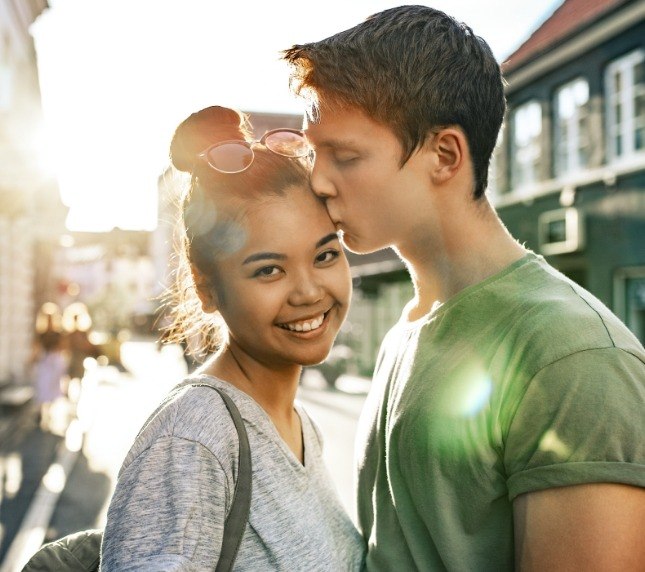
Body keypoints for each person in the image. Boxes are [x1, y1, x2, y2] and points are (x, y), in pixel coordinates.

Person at [282, 5, 645, 571]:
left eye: (345, 156)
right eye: (313, 153)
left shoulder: (573, 356)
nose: (319, 180)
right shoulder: (406, 329)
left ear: (445, 156)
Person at [100, 105, 365, 570]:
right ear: (206, 288)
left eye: (325, 255)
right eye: (268, 269)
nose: (308, 291)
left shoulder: (301, 426)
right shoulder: (192, 439)